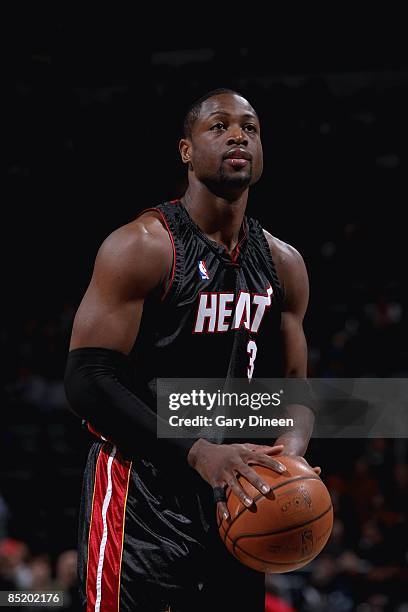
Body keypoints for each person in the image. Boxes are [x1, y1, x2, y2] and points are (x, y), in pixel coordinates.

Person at [64, 88, 319, 612]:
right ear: (185, 150)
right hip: (143, 492)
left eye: (250, 127)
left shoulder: (283, 264)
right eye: (219, 125)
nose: (237, 136)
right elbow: (87, 380)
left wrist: (289, 454)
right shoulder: (143, 246)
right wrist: (197, 452)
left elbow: (295, 387)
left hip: (234, 495)